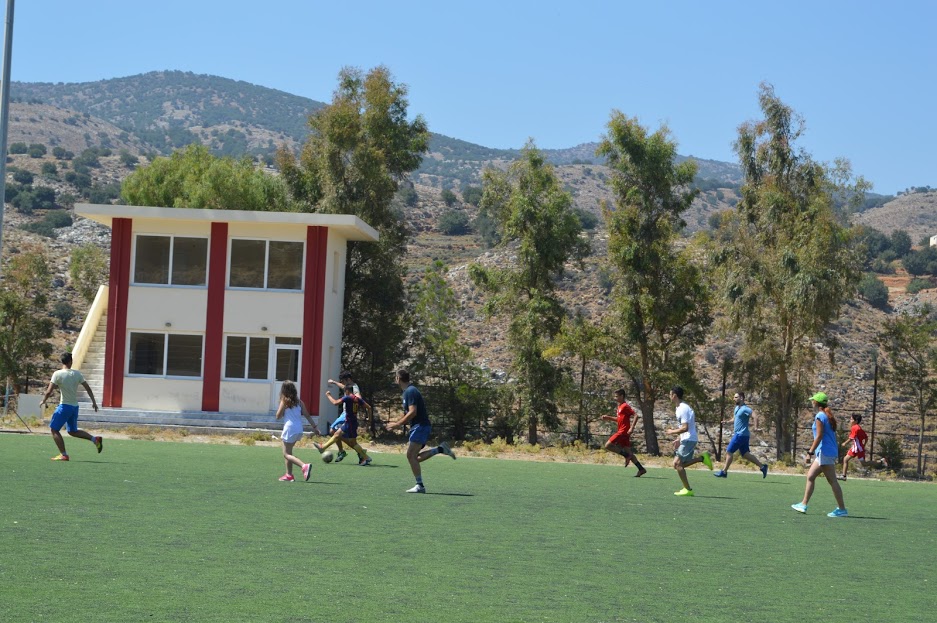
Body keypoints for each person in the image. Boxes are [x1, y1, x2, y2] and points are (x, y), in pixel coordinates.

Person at [387, 369, 456, 493]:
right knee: (414, 458)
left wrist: (397, 424)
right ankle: (440, 449)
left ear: (398, 379)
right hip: (419, 427)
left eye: (395, 377)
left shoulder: (410, 391)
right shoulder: (407, 392)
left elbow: (413, 412)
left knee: (411, 456)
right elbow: (409, 412)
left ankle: (420, 486)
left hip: (421, 426)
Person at [792, 392, 848, 517]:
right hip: (827, 452)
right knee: (811, 476)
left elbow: (819, 436)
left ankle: (842, 509)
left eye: (813, 401)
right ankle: (803, 504)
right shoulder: (827, 415)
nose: (812, 402)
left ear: (816, 403)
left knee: (832, 481)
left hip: (824, 452)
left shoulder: (820, 416)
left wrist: (810, 452)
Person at [40, 352, 102, 461]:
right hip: (74, 407)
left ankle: (64, 454)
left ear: (62, 361)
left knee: (54, 430)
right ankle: (94, 439)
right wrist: (94, 402)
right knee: (72, 431)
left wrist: (43, 401)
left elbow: (49, 391)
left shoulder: (57, 374)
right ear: (71, 361)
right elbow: (88, 388)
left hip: (64, 407)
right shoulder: (77, 374)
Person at [664, 386, 713, 496]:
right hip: (686, 439)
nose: (669, 396)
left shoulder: (683, 408)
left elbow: (685, 428)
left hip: (689, 439)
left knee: (677, 464)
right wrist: (678, 438)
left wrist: (672, 432)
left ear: (674, 395)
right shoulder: (679, 408)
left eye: (670, 394)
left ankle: (688, 490)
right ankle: (702, 458)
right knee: (677, 465)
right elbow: (684, 427)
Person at [714, 391, 768, 479]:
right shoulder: (737, 408)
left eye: (736, 397)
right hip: (743, 435)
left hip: (740, 435)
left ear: (741, 398)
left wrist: (756, 428)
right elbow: (735, 418)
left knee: (729, 451)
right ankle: (762, 467)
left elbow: (755, 416)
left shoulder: (745, 409)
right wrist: (727, 422)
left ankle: (724, 472)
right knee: (745, 454)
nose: (734, 399)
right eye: (734, 397)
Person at [317, 383, 373, 466]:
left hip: (349, 422)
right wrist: (369, 419)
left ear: (347, 390)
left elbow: (335, 403)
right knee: (339, 435)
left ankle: (365, 457)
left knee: (350, 441)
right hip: (353, 422)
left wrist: (328, 395)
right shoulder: (357, 399)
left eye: (345, 391)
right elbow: (369, 407)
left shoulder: (348, 397)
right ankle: (323, 447)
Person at [274, 380, 317, 482]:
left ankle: (304, 466)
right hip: (298, 429)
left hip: (290, 428)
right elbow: (307, 415)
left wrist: (282, 410)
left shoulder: (284, 401)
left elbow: (278, 416)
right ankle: (289, 475)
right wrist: (315, 427)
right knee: (289, 452)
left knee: (286, 454)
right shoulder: (300, 402)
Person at [600, 388, 646, 477]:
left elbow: (636, 415)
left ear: (622, 396)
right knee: (629, 452)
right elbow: (619, 419)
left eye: (617, 396)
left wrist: (632, 427)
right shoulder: (619, 407)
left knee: (608, 445)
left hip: (623, 431)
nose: (615, 398)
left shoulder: (625, 406)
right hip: (623, 432)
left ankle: (626, 456)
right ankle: (641, 469)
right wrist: (608, 418)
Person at [325, 371, 360, 463]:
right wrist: (334, 382)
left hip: (347, 414)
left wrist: (353, 400)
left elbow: (358, 397)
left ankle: (343, 451)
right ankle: (359, 452)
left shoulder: (354, 388)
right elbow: (342, 386)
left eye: (343, 381)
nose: (342, 383)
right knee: (339, 434)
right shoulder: (348, 387)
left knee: (332, 430)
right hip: (345, 414)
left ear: (348, 379)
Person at [839, 413, 870, 481]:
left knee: (863, 463)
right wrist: (863, 445)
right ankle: (843, 476)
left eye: (851, 419)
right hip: (857, 448)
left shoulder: (855, 427)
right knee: (846, 459)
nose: (850, 420)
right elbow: (866, 438)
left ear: (856, 421)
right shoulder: (859, 428)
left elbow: (851, 438)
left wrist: (844, 443)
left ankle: (881, 462)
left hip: (857, 448)